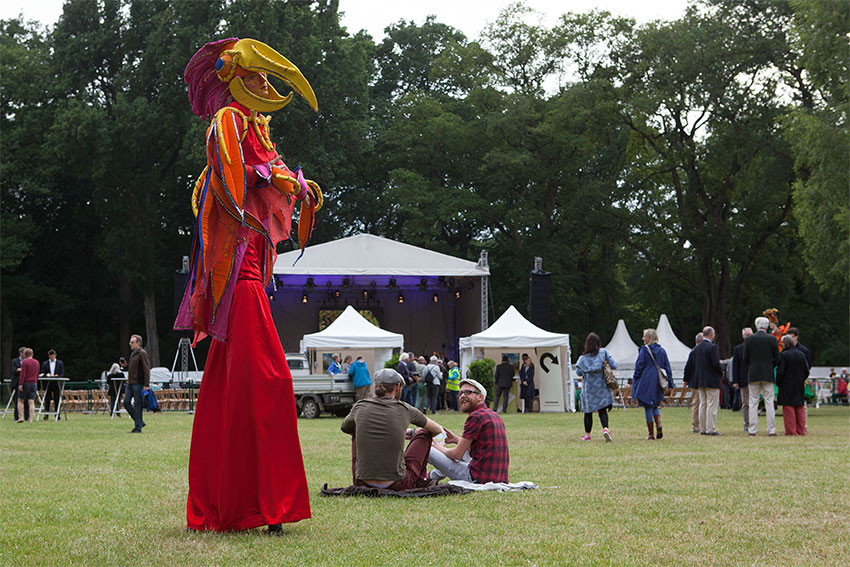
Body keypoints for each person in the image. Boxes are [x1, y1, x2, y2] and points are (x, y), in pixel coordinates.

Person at [176, 37, 318, 533]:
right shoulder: (229, 122)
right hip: (238, 276)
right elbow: (232, 177)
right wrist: (271, 179)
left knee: (234, 389)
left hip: (251, 273)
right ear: (237, 80)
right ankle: (261, 505)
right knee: (268, 382)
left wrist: (296, 186)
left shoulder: (258, 127)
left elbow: (272, 173)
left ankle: (242, 504)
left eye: (264, 78)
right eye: (255, 76)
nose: (263, 84)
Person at [340, 368, 442, 490]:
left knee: (356, 430)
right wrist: (412, 432)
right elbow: (436, 429)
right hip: (398, 483)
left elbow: (345, 427)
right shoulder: (405, 409)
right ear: (397, 387)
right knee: (424, 433)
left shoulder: (360, 406)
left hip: (361, 481)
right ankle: (420, 481)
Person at [428, 378, 509, 483]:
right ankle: (431, 476)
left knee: (427, 448)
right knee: (463, 451)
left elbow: (457, 454)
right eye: (460, 393)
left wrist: (438, 447)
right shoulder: (493, 415)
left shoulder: (476, 417)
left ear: (480, 397)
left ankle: (418, 478)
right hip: (498, 477)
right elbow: (481, 448)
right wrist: (455, 439)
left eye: (468, 392)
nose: (462, 396)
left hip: (477, 478)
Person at [575, 333, 617, 442]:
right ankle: (605, 429)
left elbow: (578, 372)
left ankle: (587, 435)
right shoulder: (603, 353)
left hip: (588, 389)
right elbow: (614, 365)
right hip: (602, 388)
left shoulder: (582, 359)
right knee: (602, 410)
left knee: (588, 412)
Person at [632, 329, 673, 440]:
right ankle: (658, 423)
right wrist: (670, 383)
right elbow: (667, 367)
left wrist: (636, 377)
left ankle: (651, 434)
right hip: (658, 381)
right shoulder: (662, 351)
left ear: (649, 338)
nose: (643, 339)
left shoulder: (644, 351)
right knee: (655, 404)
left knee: (647, 406)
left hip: (646, 381)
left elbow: (639, 366)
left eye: (644, 336)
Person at [743, 316, 780, 436]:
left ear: (756, 326)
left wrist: (752, 365)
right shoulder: (772, 339)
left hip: (753, 373)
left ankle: (752, 429)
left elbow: (745, 358)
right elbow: (777, 358)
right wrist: (770, 366)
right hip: (768, 373)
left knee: (753, 402)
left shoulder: (749, 339)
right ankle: (771, 430)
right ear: (767, 326)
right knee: (769, 402)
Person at [689, 326, 723, 436]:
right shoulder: (712, 347)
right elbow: (716, 364)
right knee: (712, 405)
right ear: (712, 335)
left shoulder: (696, 348)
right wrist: (721, 372)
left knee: (702, 404)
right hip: (712, 380)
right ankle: (710, 429)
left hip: (700, 380)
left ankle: (702, 428)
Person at [776, 335, 809, 435]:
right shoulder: (801, 354)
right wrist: (801, 379)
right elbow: (806, 370)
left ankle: (791, 431)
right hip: (799, 383)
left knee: (788, 407)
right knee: (799, 407)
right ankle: (801, 430)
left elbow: (780, 372)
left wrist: (778, 382)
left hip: (786, 384)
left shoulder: (784, 355)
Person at [125, 335, 150, 433]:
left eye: (132, 342)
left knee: (137, 405)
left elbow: (146, 369)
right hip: (130, 383)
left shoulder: (142, 353)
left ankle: (138, 427)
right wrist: (126, 365)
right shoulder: (133, 354)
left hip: (138, 383)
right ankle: (139, 421)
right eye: (130, 342)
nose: (130, 344)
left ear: (138, 343)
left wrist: (146, 384)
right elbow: (133, 368)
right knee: (126, 402)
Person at [731, 328, 753, 432]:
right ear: (743, 336)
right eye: (746, 335)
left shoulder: (757, 348)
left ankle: (753, 423)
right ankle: (747, 424)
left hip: (755, 378)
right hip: (743, 379)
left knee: (754, 403)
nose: (748, 336)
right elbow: (735, 366)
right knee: (745, 403)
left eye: (750, 334)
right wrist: (735, 381)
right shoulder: (738, 349)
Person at [683, 332, 703, 433]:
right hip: (696, 381)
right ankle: (696, 425)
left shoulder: (695, 351)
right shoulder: (694, 352)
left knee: (699, 403)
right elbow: (689, 367)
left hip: (697, 380)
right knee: (697, 403)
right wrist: (686, 379)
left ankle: (700, 424)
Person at [40, 349, 65, 419]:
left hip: (56, 383)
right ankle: (46, 415)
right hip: (48, 382)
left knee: (57, 399)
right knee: (47, 399)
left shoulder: (60, 363)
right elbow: (42, 372)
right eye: (50, 356)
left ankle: (57, 414)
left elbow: (62, 372)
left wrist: (58, 377)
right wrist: (46, 375)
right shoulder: (45, 363)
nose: (52, 357)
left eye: (53, 356)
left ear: (55, 355)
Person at [16, 348, 39, 423]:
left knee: (20, 401)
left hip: (26, 383)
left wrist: (20, 384)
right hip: (33, 383)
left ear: (25, 355)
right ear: (32, 354)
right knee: (31, 402)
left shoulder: (25, 362)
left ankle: (21, 417)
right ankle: (30, 419)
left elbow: (23, 374)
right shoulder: (36, 362)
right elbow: (37, 373)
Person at [10, 347, 28, 422]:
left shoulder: (27, 361)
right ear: (21, 353)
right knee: (17, 400)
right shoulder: (15, 361)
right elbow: (14, 371)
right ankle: (16, 416)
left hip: (26, 382)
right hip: (16, 383)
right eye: (24, 353)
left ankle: (27, 416)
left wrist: (20, 369)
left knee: (26, 400)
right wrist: (22, 370)